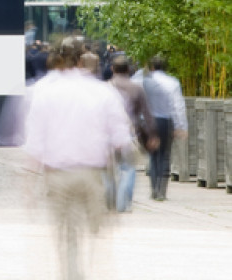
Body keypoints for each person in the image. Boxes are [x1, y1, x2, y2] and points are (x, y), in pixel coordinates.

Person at [23, 38, 132, 280]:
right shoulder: (103, 91)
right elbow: (121, 138)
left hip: (57, 176)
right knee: (96, 234)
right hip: (93, 175)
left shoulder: (44, 92)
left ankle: (70, 272)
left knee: (65, 233)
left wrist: (28, 184)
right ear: (83, 60)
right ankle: (92, 271)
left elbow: (35, 143)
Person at [107, 56, 157, 212]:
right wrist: (152, 135)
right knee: (128, 169)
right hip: (130, 134)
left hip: (107, 136)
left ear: (112, 69)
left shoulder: (105, 88)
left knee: (109, 169)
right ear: (129, 70)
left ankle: (110, 200)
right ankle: (124, 201)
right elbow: (147, 114)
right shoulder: (136, 88)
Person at [142, 56, 188, 201]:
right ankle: (162, 190)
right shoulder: (172, 82)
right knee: (164, 154)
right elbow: (177, 106)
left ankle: (153, 188)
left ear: (152, 67)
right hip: (165, 121)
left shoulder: (145, 82)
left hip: (149, 122)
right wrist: (181, 126)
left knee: (152, 154)